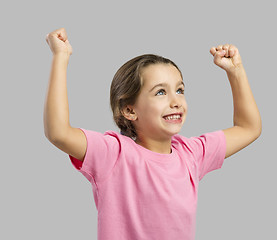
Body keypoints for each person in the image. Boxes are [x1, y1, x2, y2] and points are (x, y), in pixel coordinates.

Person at [44, 27, 262, 240]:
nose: (176, 101)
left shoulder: (191, 154)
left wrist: (236, 71)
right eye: (160, 92)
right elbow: (59, 132)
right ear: (129, 110)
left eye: (179, 90)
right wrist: (61, 57)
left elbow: (248, 127)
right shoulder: (114, 154)